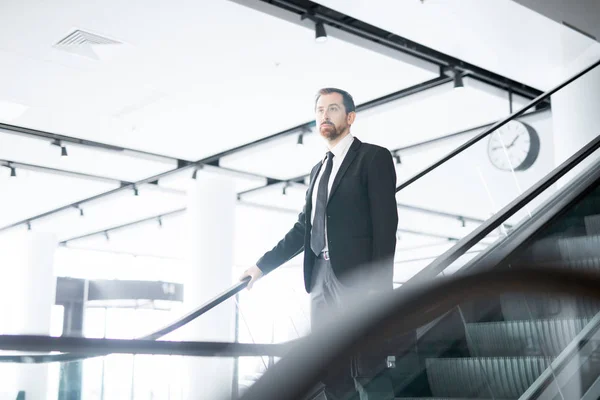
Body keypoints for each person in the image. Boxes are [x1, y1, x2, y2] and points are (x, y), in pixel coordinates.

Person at [240, 88, 398, 399]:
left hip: (357, 279)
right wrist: (261, 267)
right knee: (331, 369)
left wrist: (378, 285)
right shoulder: (317, 170)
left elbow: (385, 226)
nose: (324, 115)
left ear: (350, 118)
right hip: (318, 278)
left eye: (333, 109)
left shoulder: (373, 158)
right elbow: (303, 229)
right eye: (320, 110)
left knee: (369, 365)